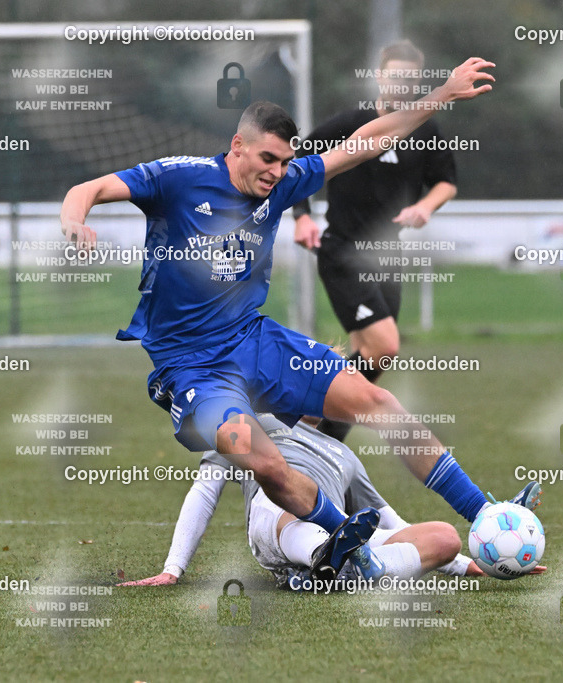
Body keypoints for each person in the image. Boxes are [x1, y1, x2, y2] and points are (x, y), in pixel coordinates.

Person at [60, 57, 537, 580]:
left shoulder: (283, 183)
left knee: (377, 401)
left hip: (253, 340)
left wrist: (442, 95)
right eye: (267, 158)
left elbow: (370, 138)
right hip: (191, 369)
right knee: (263, 460)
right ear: (237, 146)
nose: (277, 172)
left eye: (286, 162)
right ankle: (353, 546)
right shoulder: (178, 179)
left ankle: (485, 514)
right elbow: (89, 188)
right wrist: (74, 223)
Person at [117, 415, 546, 588]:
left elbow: (389, 523)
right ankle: (326, 557)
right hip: (278, 525)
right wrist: (173, 568)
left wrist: (474, 560)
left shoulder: (344, 454)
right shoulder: (253, 421)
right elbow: (205, 489)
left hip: (347, 537)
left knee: (446, 535)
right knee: (290, 498)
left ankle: (339, 573)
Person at [292, 40, 458, 442]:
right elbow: (298, 165)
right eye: (395, 75)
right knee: (384, 346)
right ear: (380, 76)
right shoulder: (350, 125)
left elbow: (446, 182)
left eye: (410, 77)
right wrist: (301, 217)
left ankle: (322, 440)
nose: (402, 83)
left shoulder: (426, 129)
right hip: (342, 253)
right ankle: (302, 415)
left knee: (370, 357)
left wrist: (425, 208)